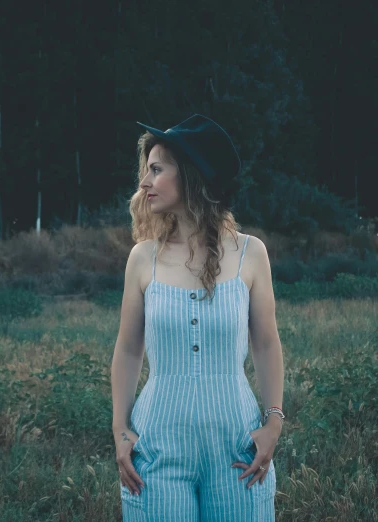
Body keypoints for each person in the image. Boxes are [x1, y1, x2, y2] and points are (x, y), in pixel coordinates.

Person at [110, 114, 286, 521]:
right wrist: (120, 430)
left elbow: (265, 343)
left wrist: (273, 421)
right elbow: (128, 349)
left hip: (238, 450)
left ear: (190, 176)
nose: (144, 182)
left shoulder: (250, 253)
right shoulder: (142, 259)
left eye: (156, 170)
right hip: (156, 450)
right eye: (146, 170)